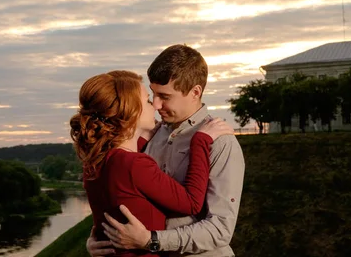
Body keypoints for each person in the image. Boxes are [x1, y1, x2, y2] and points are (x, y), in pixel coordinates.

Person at [87, 45, 246, 257]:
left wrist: (152, 240)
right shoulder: (150, 135)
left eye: (165, 96)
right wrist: (99, 240)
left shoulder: (220, 143)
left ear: (195, 92)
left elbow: (220, 230)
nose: (157, 104)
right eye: (153, 95)